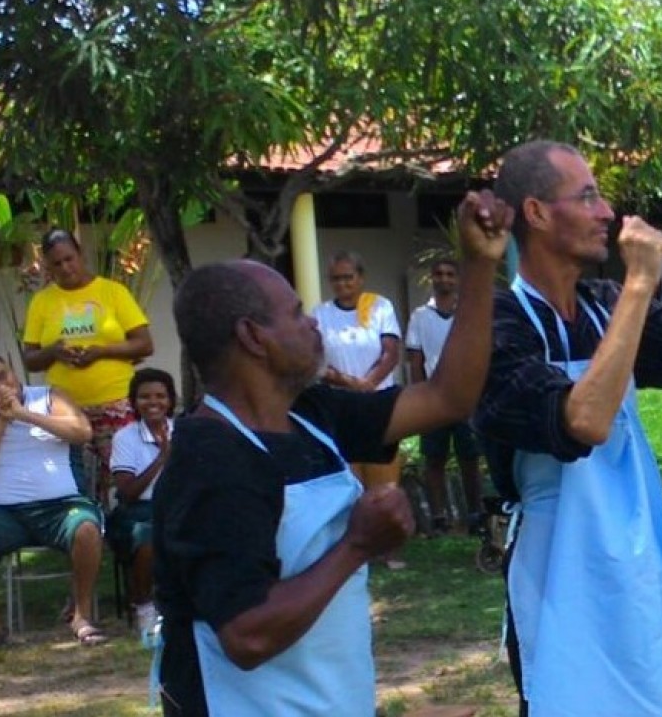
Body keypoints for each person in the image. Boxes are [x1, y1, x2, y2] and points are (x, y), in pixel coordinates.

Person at [153, 191, 510, 716]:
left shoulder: (312, 414)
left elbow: (448, 396)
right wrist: (357, 546)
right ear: (254, 337)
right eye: (297, 313)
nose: (314, 323)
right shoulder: (212, 463)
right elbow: (247, 635)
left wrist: (479, 267)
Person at [473, 130, 662, 717]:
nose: (607, 212)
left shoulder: (602, 304)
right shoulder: (498, 323)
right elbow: (583, 421)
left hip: (637, 553)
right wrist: (641, 284)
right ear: (535, 213)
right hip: (559, 567)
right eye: (587, 196)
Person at [0, 353, 102, 653]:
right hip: (5, 513)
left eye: (2, 377)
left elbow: (82, 431)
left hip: (61, 506)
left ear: (12, 371)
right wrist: (2, 420)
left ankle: (81, 616)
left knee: (86, 529)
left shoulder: (48, 397)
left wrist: (24, 415)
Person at [22, 228, 154, 503]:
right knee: (78, 479)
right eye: (56, 263)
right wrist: (54, 352)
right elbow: (30, 359)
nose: (65, 268)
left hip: (116, 404)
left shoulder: (112, 292)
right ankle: (90, 532)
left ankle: (129, 533)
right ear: (47, 266)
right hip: (67, 410)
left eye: (69, 259)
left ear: (80, 254)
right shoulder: (42, 301)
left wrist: (101, 352)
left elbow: (144, 344)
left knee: (123, 474)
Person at [313, 250, 406, 564]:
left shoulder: (379, 306)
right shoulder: (320, 314)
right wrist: (350, 383)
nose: (342, 284)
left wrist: (368, 382)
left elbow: (391, 352)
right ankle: (355, 551)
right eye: (336, 279)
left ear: (360, 278)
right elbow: (316, 363)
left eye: (348, 277)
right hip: (340, 402)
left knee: (384, 477)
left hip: (379, 402)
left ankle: (389, 549)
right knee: (349, 479)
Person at [405, 258, 484, 535]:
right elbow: (415, 360)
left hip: (466, 397)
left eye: (450, 274)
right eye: (439, 274)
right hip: (434, 398)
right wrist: (420, 396)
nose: (445, 279)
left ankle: (476, 515)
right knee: (434, 459)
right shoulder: (419, 316)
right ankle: (439, 518)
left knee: (470, 458)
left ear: (457, 279)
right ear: (432, 278)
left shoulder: (469, 312)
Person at [108, 367, 177, 638]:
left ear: (170, 400)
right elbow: (127, 493)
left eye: (160, 396)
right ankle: (144, 605)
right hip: (137, 511)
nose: (153, 402)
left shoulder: (183, 430)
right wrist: (162, 457)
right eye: (145, 397)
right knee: (146, 537)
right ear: (134, 402)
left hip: (176, 507)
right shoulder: (125, 437)